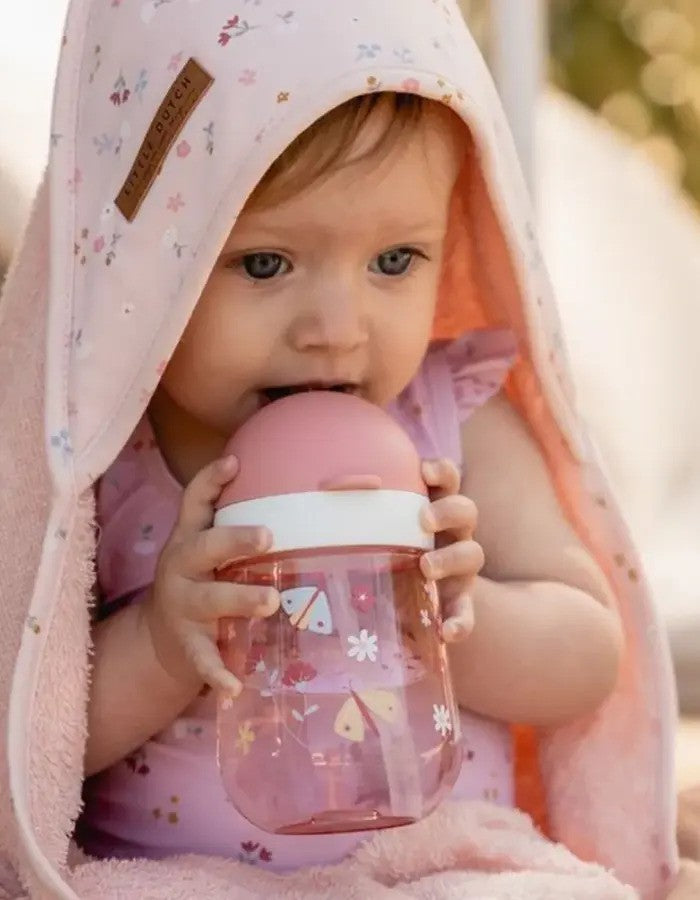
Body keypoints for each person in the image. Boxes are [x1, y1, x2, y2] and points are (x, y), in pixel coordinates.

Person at [0, 1, 683, 897]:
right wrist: (163, 645)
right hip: (184, 872)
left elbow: (592, 657)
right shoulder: (103, 456)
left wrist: (459, 617)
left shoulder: (453, 418)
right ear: (150, 264)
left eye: (395, 261)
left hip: (441, 858)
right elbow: (34, 736)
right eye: (266, 264)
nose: (336, 330)